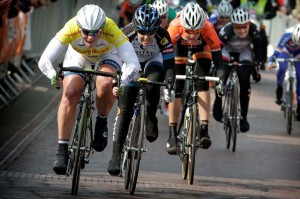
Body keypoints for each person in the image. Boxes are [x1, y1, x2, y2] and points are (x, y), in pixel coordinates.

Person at [38, 4, 141, 175]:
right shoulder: (70, 27)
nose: (90, 37)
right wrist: (52, 75)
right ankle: (62, 151)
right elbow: (45, 60)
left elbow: (133, 64)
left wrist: (121, 81)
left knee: (106, 83)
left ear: (103, 28)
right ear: (79, 27)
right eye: (85, 32)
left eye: (95, 32)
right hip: (78, 56)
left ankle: (102, 121)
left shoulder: (112, 29)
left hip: (106, 55)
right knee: (70, 93)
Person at [107, 4, 176, 176]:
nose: (146, 37)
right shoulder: (126, 33)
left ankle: (151, 116)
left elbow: (169, 64)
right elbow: (115, 62)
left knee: (153, 84)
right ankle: (116, 155)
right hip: (131, 63)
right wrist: (116, 83)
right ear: (136, 28)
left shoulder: (163, 35)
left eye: (150, 33)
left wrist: (169, 83)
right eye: (142, 33)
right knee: (125, 107)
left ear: (157, 29)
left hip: (154, 60)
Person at [166, 2, 225, 154]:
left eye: (196, 31)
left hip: (202, 47)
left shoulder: (208, 29)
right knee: (176, 87)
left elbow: (218, 60)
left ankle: (204, 130)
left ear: (202, 27)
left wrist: (220, 77)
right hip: (179, 46)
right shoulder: (174, 28)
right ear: (183, 26)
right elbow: (164, 56)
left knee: (202, 81)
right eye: (189, 31)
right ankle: (172, 134)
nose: (192, 35)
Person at [213, 7, 263, 132]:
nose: (241, 30)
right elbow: (216, 50)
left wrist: (256, 65)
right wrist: (216, 66)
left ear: (249, 24)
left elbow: (259, 49)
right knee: (221, 75)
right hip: (227, 51)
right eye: (238, 27)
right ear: (233, 25)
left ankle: (243, 118)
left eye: (244, 27)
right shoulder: (227, 30)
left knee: (245, 79)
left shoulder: (253, 29)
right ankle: (218, 103)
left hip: (244, 52)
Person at [267, 24, 300, 121]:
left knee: (299, 75)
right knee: (282, 68)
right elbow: (276, 53)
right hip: (286, 51)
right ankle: (279, 87)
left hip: (298, 54)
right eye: (296, 42)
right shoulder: (286, 36)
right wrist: (272, 62)